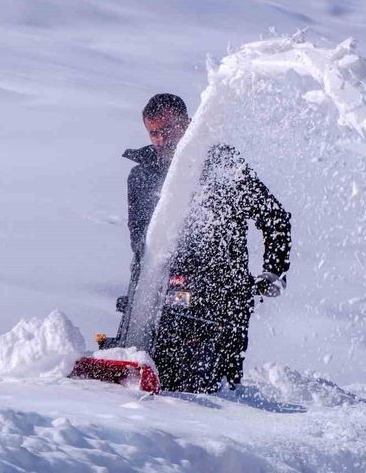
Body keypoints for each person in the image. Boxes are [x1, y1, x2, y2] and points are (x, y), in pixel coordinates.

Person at [121, 93, 292, 392]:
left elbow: (274, 217)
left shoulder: (223, 167)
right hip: (158, 292)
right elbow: (140, 238)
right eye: (154, 133)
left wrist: (272, 271)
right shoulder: (141, 175)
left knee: (218, 391)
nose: (161, 140)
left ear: (188, 125)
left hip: (222, 300)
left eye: (168, 129)